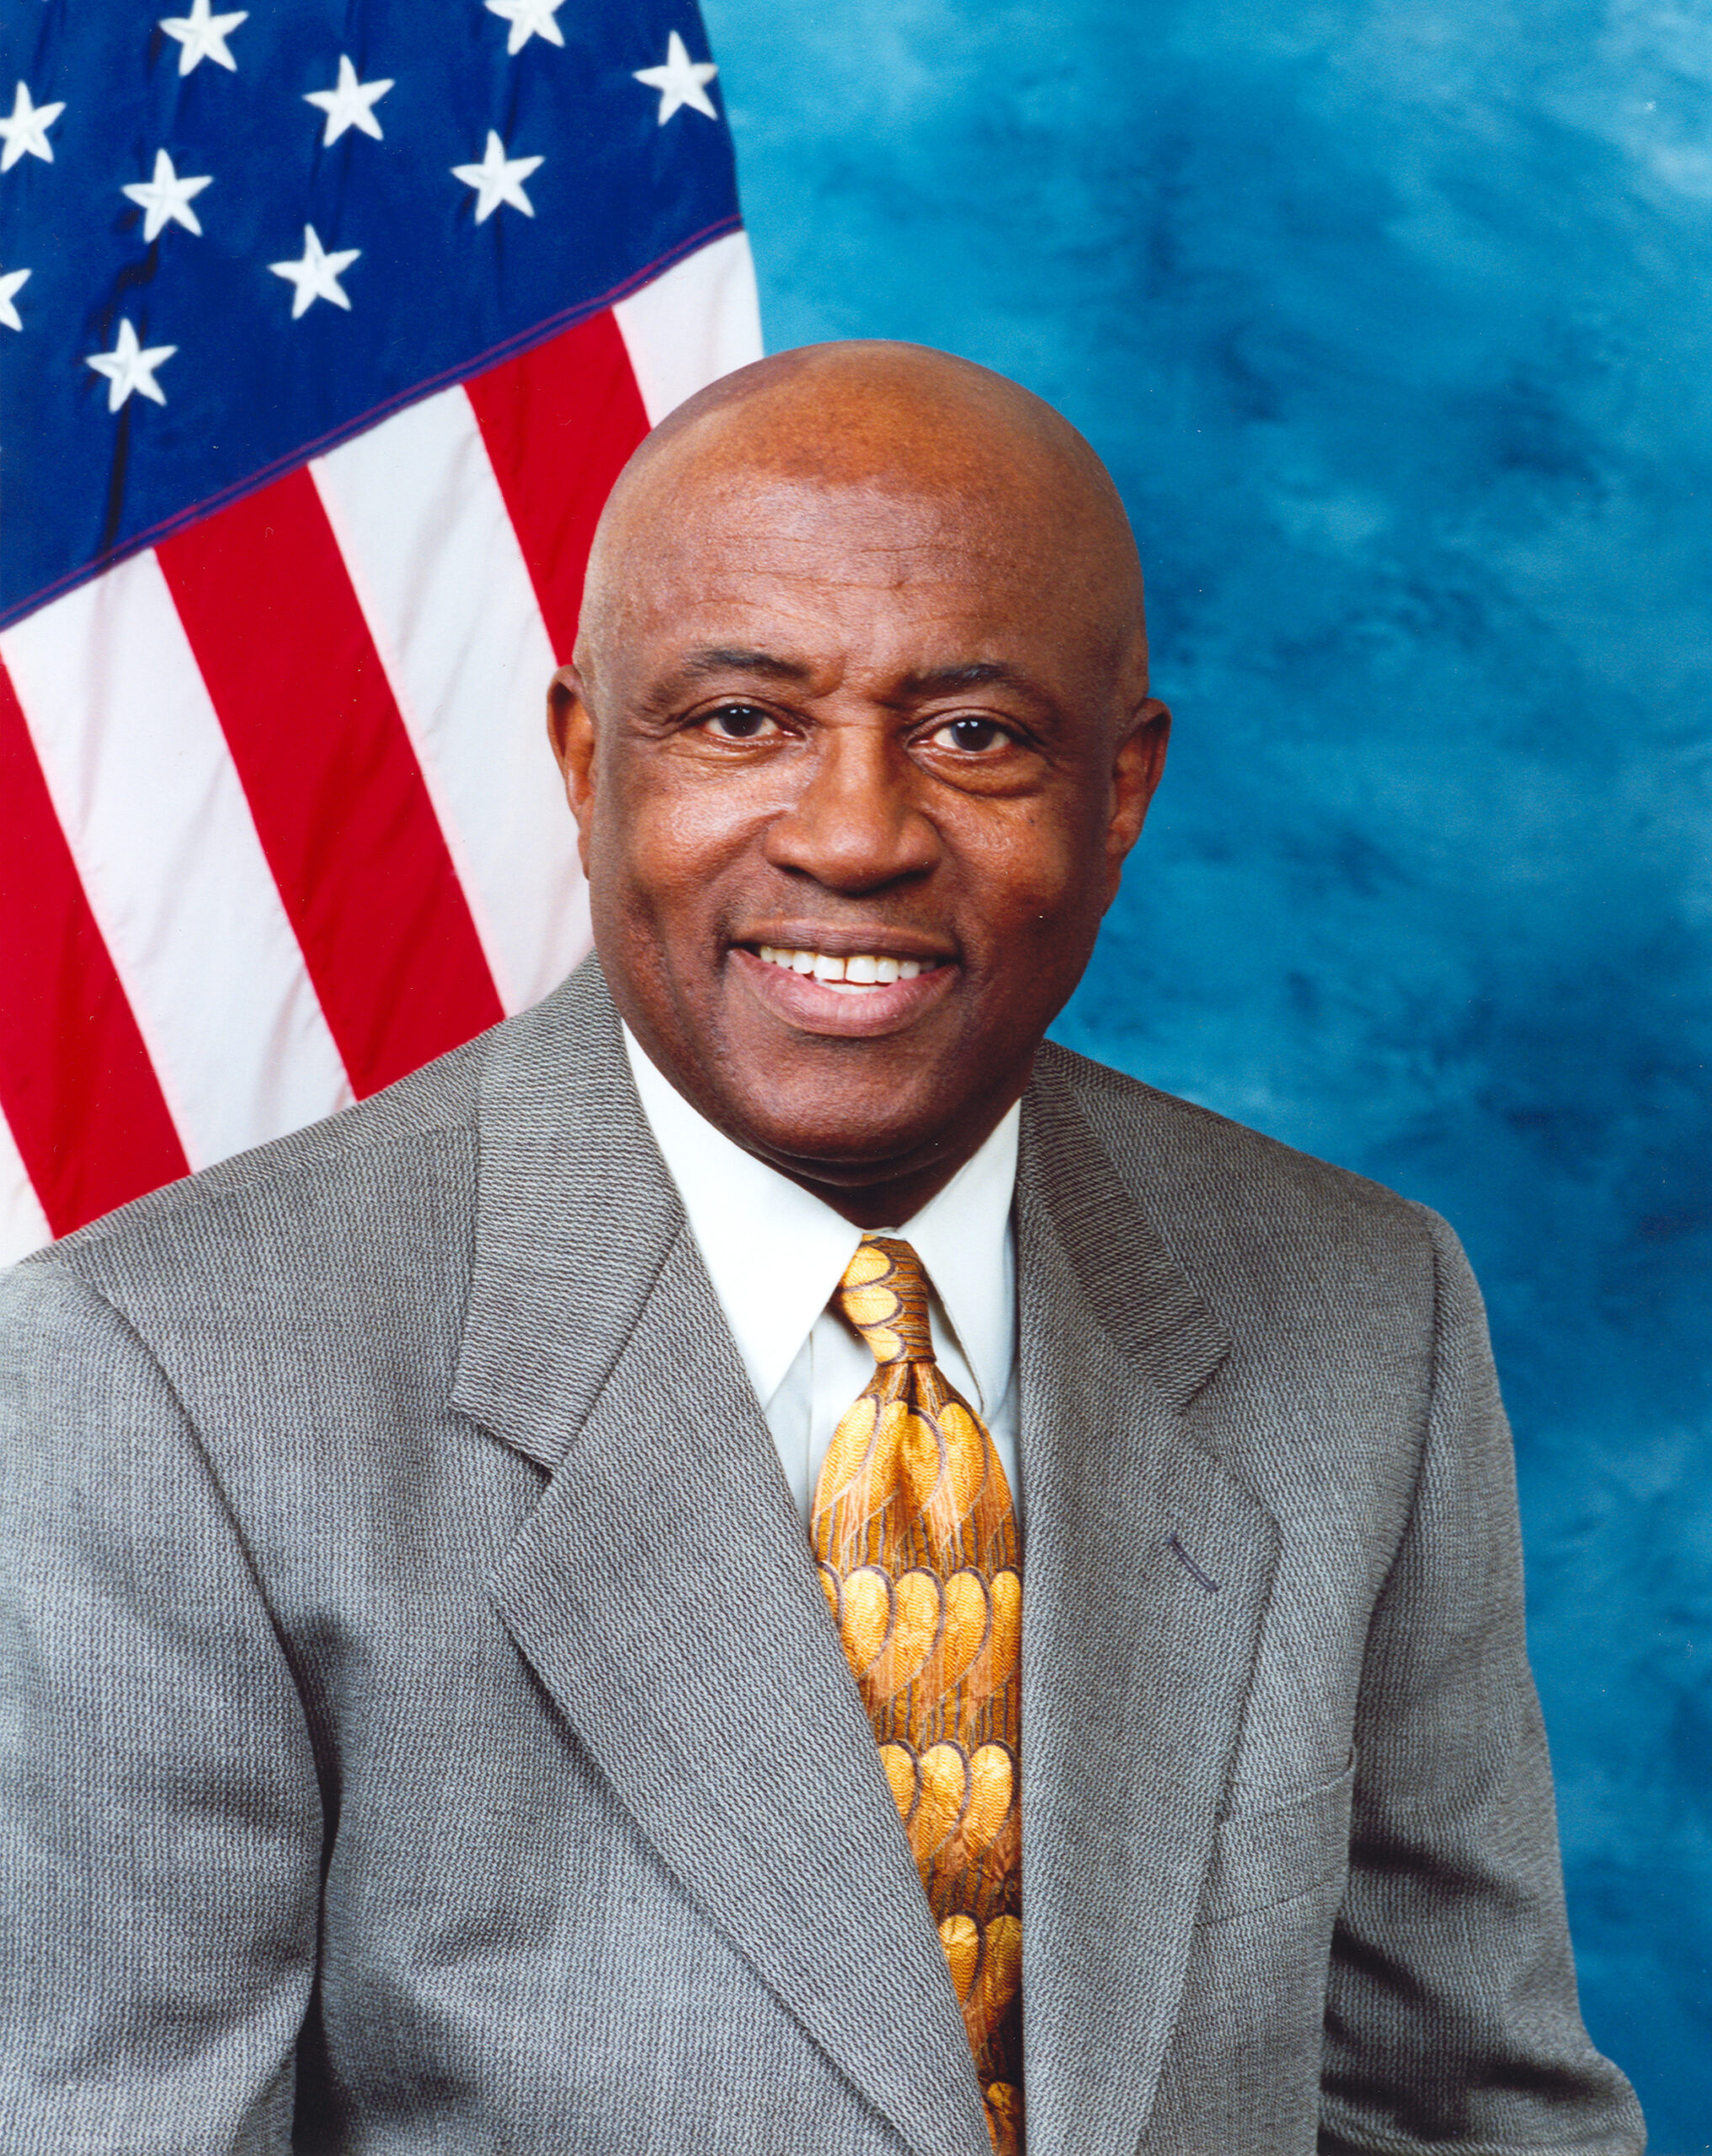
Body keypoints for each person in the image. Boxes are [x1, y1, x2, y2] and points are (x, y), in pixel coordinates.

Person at [0, 344, 1641, 2156]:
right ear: (585, 758)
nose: (856, 836)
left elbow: (1465, 2115)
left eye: (973, 734)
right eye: (741, 720)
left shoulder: (1361, 1308)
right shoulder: (166, 1382)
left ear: (1121, 789)